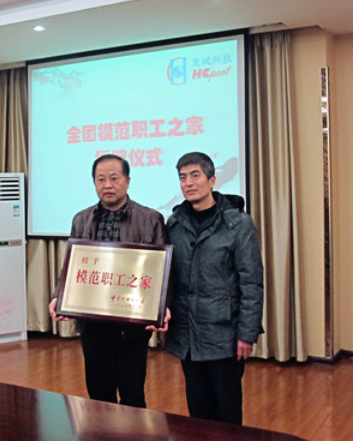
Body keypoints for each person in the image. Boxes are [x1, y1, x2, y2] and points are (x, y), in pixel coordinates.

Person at [48, 154, 169, 408]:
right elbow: (72, 267)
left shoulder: (151, 219)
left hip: (131, 324)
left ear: (127, 181)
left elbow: (162, 272)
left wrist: (161, 307)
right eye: (100, 179)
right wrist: (59, 297)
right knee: (98, 394)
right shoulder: (81, 220)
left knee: (132, 395)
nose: (107, 185)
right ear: (94, 182)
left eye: (114, 178)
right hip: (93, 323)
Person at [165, 152, 264, 425]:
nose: (188, 183)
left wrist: (246, 334)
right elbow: (168, 279)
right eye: (183, 177)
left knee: (228, 413)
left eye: (195, 175)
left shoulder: (238, 224)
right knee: (198, 412)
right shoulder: (174, 223)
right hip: (188, 335)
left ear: (212, 180)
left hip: (224, 336)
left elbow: (252, 282)